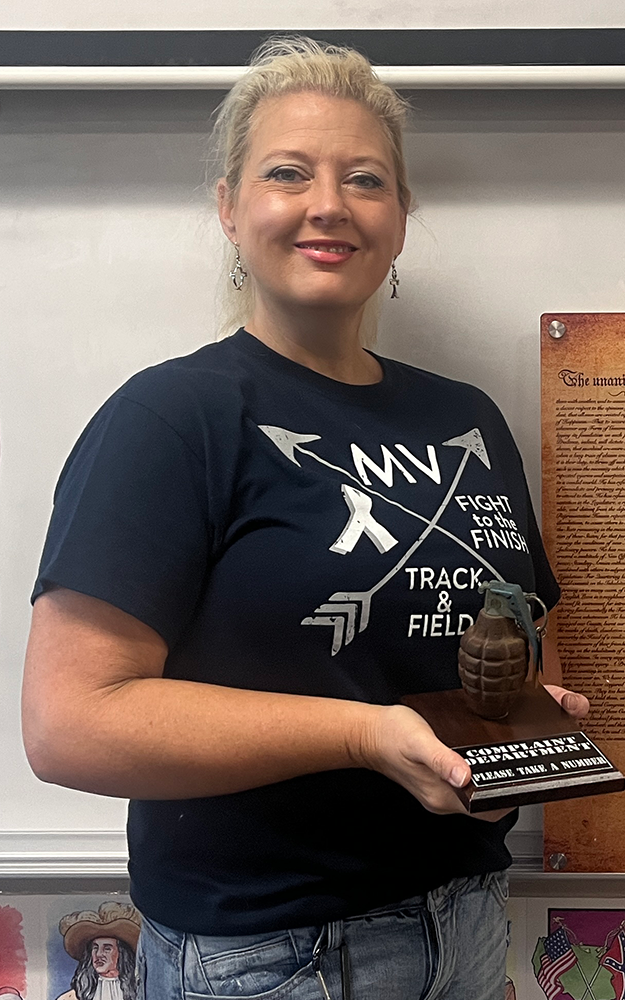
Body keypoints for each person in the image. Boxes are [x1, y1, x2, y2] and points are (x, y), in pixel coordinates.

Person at [21, 36, 587, 1000]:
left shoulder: (467, 418)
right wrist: (366, 734)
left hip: (467, 921)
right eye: (289, 173)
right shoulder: (172, 420)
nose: (329, 204)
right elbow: (70, 723)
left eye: (366, 179)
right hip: (266, 956)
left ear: (401, 219)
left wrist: (532, 732)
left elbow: (528, 634)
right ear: (230, 207)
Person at [54, 902, 141, 1000]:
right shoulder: (70, 998)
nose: (98, 954)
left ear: (122, 953)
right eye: (95, 948)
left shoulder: (141, 995)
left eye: (107, 948)